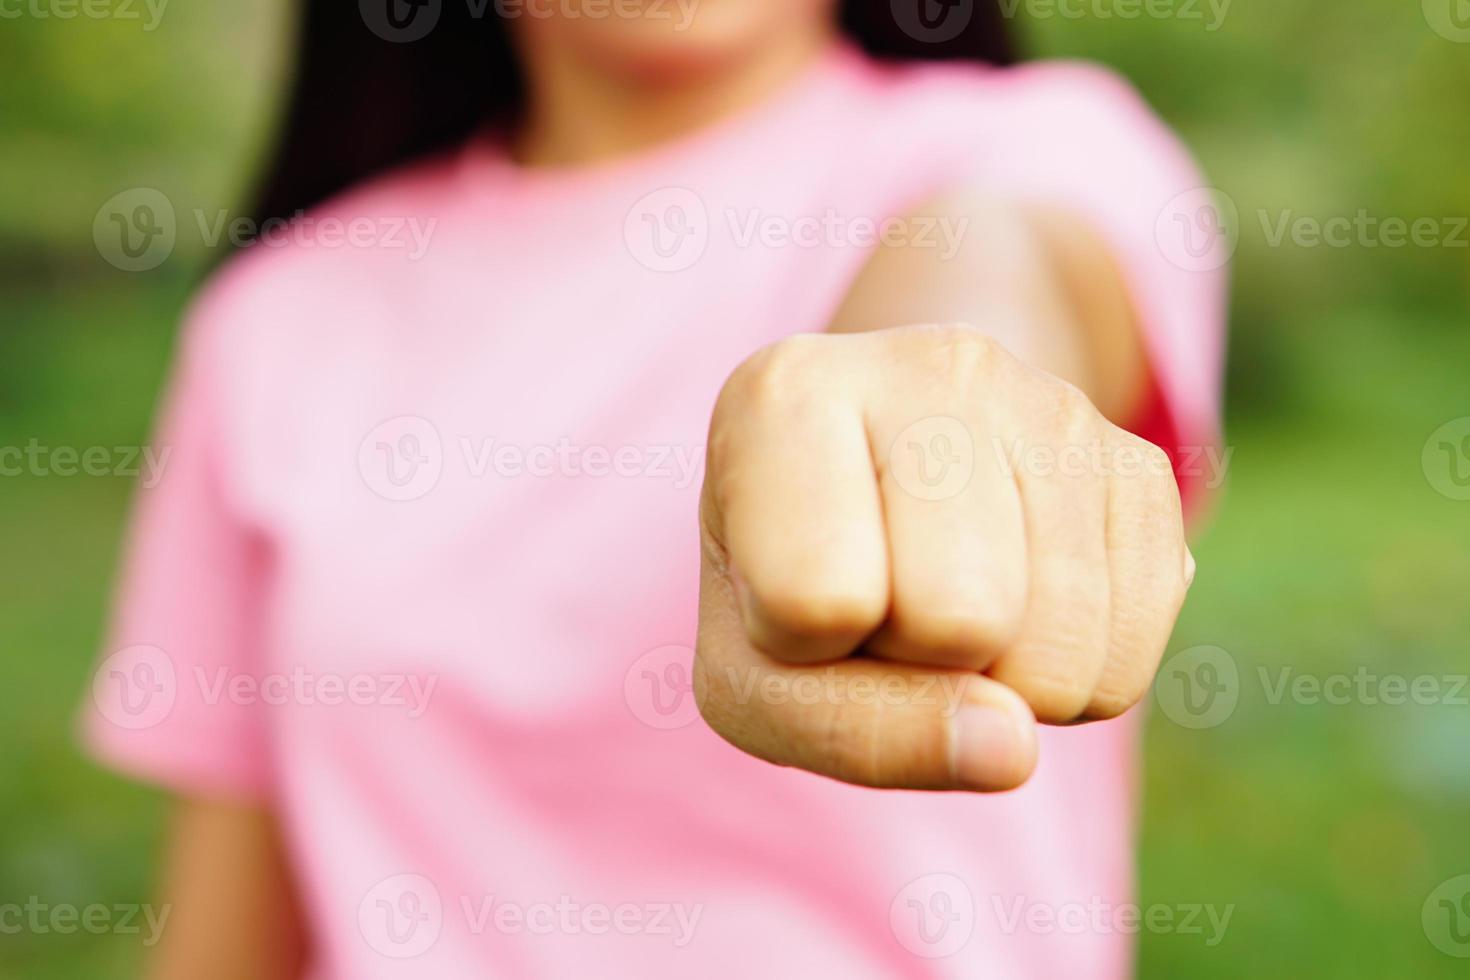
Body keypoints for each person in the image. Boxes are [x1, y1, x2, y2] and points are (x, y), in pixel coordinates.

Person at [83, 1, 1227, 976]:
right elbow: (226, 931)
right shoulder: (277, 315)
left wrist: (932, 398)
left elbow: (996, 267)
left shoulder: (1032, 143)